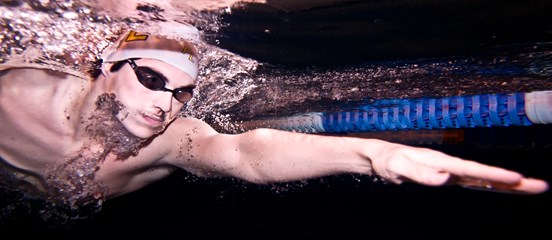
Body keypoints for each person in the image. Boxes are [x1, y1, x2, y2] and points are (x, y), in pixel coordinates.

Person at [0, 29, 548, 209]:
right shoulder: (15, 90)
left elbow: (246, 153)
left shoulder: (168, 141)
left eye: (183, 93)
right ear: (105, 65)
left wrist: (373, 154)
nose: (164, 104)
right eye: (150, 79)